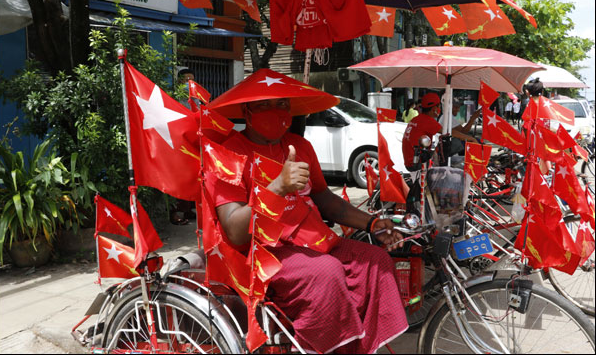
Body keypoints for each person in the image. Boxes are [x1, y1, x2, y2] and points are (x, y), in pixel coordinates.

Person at [208, 96, 409, 354]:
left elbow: (325, 198)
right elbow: (235, 231)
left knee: (375, 261)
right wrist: (278, 187)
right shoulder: (228, 153)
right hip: (263, 252)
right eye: (264, 105)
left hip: (312, 241)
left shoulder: (299, 145)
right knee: (326, 272)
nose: (276, 112)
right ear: (247, 112)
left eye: (283, 104)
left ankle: (358, 348)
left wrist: (372, 224)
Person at [170, 68, 197, 225]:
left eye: (192, 80)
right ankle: (176, 211)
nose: (189, 83)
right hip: (178, 142)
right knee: (177, 177)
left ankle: (187, 209)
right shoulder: (176, 99)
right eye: (187, 80)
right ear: (180, 82)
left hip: (191, 142)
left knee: (190, 177)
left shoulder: (195, 97)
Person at [402, 93, 443, 171]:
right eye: (439, 106)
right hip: (417, 164)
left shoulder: (416, 119)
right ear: (434, 108)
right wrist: (471, 138)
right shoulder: (427, 120)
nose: (439, 109)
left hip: (409, 161)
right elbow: (448, 132)